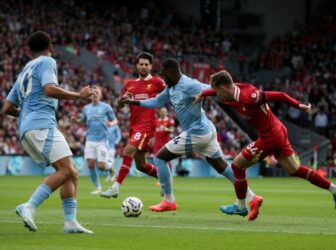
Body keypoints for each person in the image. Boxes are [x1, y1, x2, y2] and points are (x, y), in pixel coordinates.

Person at [121, 58, 262, 221]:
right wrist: (133, 101)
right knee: (221, 166)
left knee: (160, 158)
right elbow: (156, 101)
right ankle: (252, 198)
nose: (163, 79)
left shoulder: (189, 84)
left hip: (198, 132)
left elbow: (213, 88)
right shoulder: (170, 87)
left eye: (164, 76)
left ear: (173, 73)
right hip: (206, 130)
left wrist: (236, 90)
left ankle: (169, 200)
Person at [196, 70, 336, 216]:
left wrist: (298, 105)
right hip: (277, 130)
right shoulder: (228, 92)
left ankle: (240, 206)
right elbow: (213, 91)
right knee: (294, 169)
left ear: (223, 87)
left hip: (270, 136)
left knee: (237, 165)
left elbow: (280, 96)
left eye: (217, 91)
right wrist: (202, 93)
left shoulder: (249, 96)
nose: (218, 95)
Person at [1, 31, 94, 233]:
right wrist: (79, 95)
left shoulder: (25, 70)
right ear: (50, 47)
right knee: (67, 170)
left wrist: (25, 115)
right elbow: (49, 89)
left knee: (71, 172)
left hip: (28, 128)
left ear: (29, 51)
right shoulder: (47, 62)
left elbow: (7, 107)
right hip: (42, 124)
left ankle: (70, 223)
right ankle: (29, 206)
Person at [101, 52, 166, 198]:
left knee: (127, 151)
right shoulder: (130, 84)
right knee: (141, 165)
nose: (143, 67)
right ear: (137, 66)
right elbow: (118, 105)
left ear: (150, 66)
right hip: (134, 126)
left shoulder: (157, 82)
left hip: (147, 125)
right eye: (141, 64)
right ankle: (165, 179)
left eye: (146, 64)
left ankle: (115, 187)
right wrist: (122, 99)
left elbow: (170, 93)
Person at [72, 85, 118, 194]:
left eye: (97, 92)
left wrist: (111, 123)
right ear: (90, 95)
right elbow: (83, 121)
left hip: (102, 140)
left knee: (102, 166)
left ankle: (110, 167)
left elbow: (115, 120)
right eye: (93, 92)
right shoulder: (86, 108)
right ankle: (98, 187)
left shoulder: (106, 107)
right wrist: (76, 121)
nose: (95, 94)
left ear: (101, 94)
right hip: (90, 139)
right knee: (90, 164)